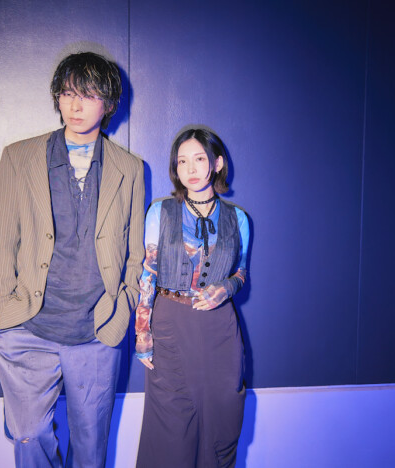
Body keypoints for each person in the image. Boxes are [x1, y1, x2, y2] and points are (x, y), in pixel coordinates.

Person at [0, 52, 144, 468]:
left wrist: (121, 309)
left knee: (90, 450)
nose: (75, 105)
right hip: (27, 330)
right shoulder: (19, 157)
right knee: (29, 435)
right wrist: (1, 314)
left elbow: (135, 254)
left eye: (88, 95)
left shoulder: (130, 169)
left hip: (97, 331)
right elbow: (2, 241)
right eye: (68, 93)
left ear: (108, 104)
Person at [135, 128, 250, 467]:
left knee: (221, 422)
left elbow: (241, 273)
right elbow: (148, 273)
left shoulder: (238, 218)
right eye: (182, 161)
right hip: (170, 325)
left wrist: (226, 288)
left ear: (217, 163)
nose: (190, 168)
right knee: (171, 430)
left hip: (220, 330)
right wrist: (142, 331)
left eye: (199, 158)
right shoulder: (160, 211)